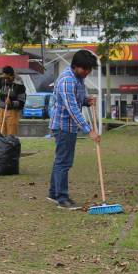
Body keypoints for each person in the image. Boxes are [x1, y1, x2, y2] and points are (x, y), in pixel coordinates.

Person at [47, 50, 100, 210]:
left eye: (89, 70)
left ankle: (53, 193)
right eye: (85, 69)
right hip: (63, 126)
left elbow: (76, 100)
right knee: (64, 162)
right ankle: (62, 199)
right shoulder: (67, 81)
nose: (87, 72)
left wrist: (86, 100)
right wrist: (89, 130)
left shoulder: (78, 78)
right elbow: (72, 109)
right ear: (76, 66)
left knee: (60, 160)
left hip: (68, 126)